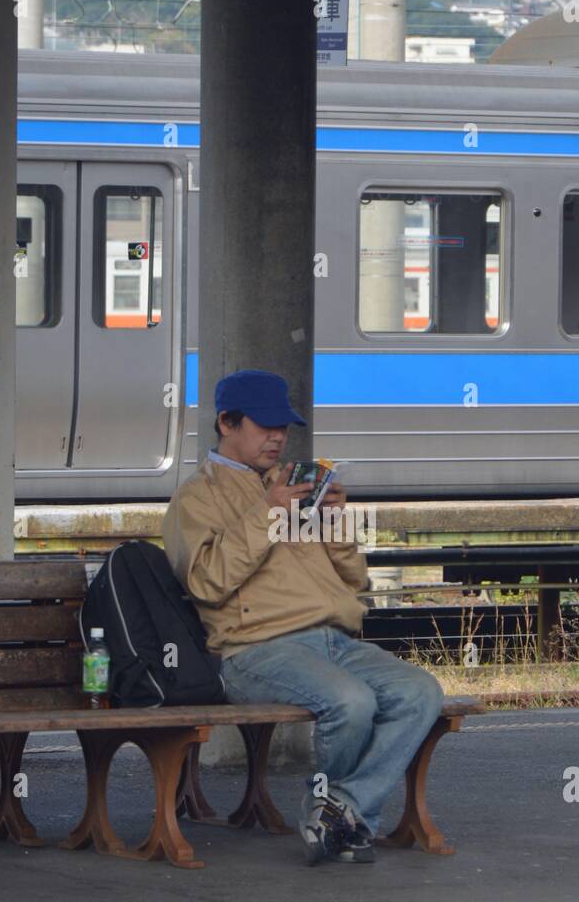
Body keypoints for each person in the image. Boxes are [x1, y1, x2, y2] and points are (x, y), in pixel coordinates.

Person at [163, 368, 443, 866]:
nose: (277, 437)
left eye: (284, 428)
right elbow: (206, 582)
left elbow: (353, 579)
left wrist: (334, 520)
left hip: (332, 638)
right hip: (254, 649)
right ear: (226, 422)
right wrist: (267, 514)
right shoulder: (196, 496)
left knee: (419, 692)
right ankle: (345, 821)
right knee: (351, 702)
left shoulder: (291, 484)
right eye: (265, 426)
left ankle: (341, 811)